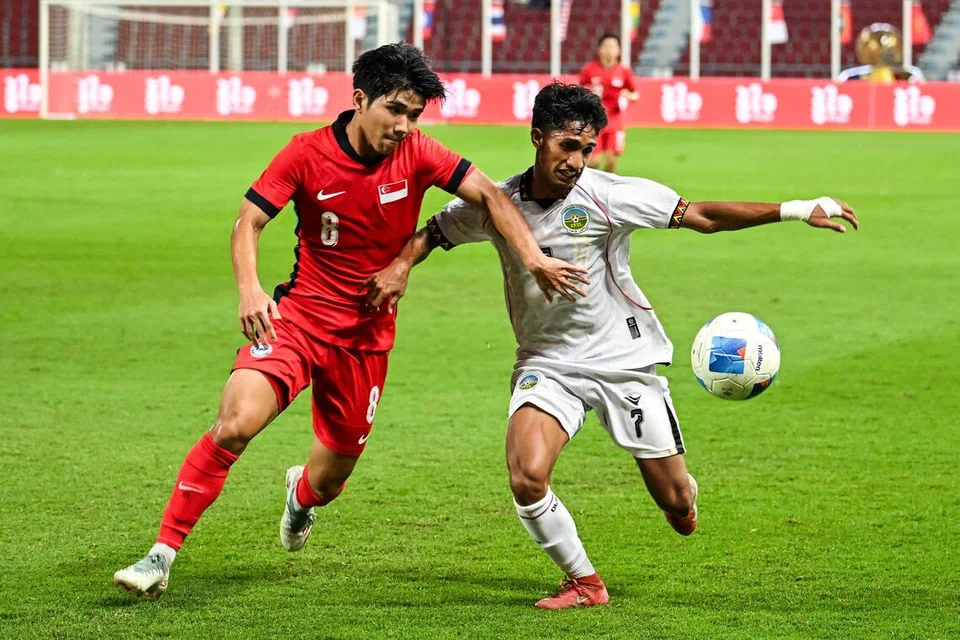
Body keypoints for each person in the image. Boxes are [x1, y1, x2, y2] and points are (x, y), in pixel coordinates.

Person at [112, 44, 587, 600]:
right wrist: (250, 289)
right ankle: (159, 555)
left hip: (366, 340)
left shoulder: (420, 153)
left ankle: (301, 497)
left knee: (331, 478)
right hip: (297, 321)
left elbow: (488, 194)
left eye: (415, 114)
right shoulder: (306, 153)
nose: (405, 126)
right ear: (360, 99)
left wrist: (531, 257)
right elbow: (248, 222)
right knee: (236, 423)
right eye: (395, 110)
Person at [364, 82, 859, 609]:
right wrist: (399, 266)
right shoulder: (498, 203)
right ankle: (585, 582)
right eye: (565, 147)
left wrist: (795, 208)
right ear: (536, 138)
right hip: (548, 363)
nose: (576, 160)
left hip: (623, 364)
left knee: (675, 503)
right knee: (527, 475)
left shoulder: (609, 194)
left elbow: (702, 216)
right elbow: (435, 232)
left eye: (585, 149)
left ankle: (682, 495)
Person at [579, 33, 638, 174]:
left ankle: (606, 191)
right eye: (606, 46)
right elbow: (579, 91)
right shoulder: (590, 69)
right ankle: (586, 187)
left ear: (618, 50)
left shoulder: (624, 71)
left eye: (612, 46)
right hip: (594, 121)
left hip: (615, 120)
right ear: (599, 50)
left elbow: (635, 94)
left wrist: (627, 95)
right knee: (594, 161)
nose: (609, 50)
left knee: (611, 160)